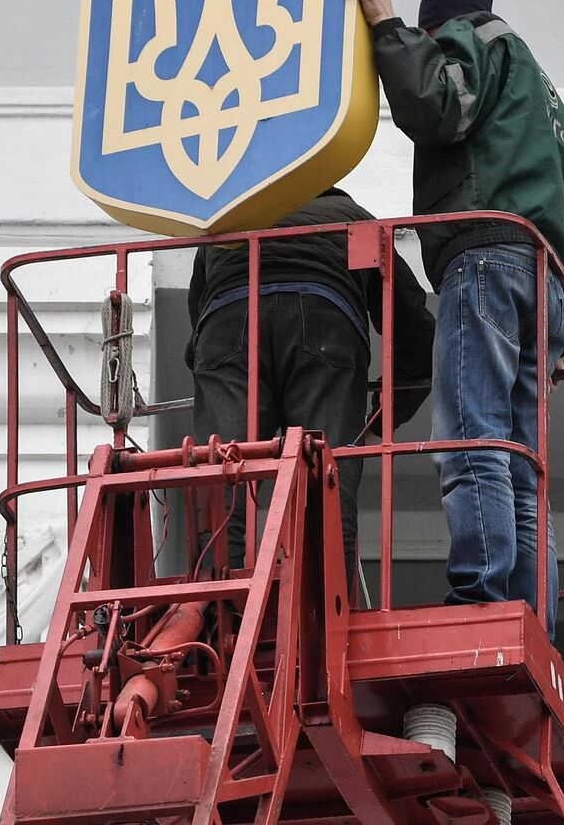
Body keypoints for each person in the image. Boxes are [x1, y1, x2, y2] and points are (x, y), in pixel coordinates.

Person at [339, 0, 564, 635]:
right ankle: (530, 617)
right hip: (544, 283)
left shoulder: (472, 41)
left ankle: (484, 601)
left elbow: (436, 106)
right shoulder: (547, 100)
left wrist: (386, 28)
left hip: (485, 262)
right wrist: (556, 332)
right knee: (523, 463)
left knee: (471, 440)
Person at [187, 187, 436, 593]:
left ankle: (216, 607)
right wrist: (385, 416)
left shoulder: (234, 210)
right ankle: (325, 605)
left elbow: (198, 324)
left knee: (223, 474)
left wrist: (214, 368)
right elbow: (412, 324)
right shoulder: (353, 217)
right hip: (324, 323)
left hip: (228, 322)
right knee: (326, 478)